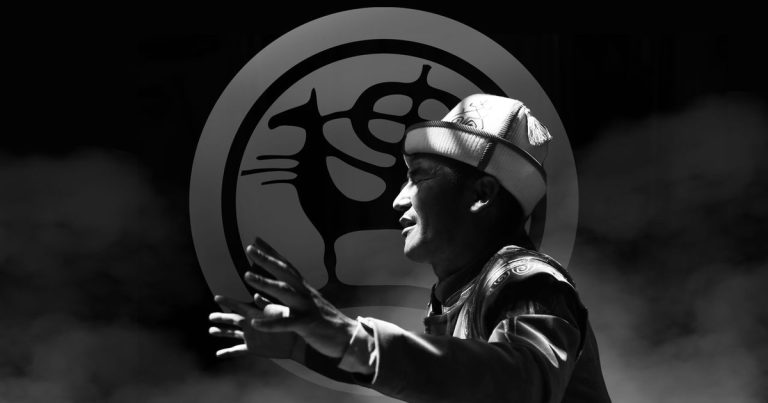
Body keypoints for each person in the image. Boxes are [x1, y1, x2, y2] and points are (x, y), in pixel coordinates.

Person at [208, 94, 612, 402]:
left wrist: (351, 337)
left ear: (481, 194)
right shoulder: (466, 293)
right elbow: (456, 379)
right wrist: (305, 345)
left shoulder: (529, 282)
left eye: (418, 177)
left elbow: (520, 384)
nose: (398, 200)